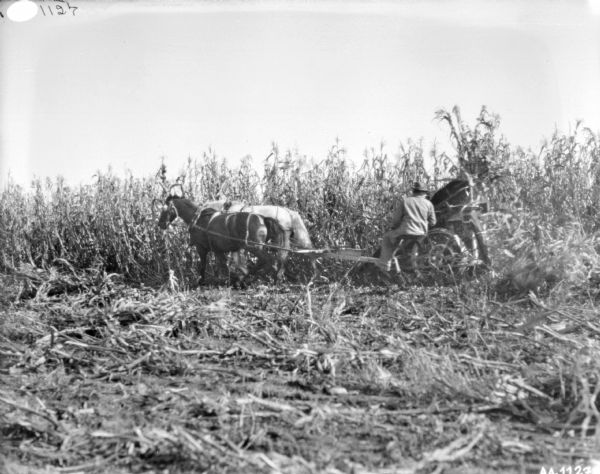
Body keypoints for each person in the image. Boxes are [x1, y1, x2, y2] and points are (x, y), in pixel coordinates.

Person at [378, 181, 437, 271]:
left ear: (413, 191)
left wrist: (394, 227)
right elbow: (433, 222)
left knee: (387, 237)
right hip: (421, 234)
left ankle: (385, 266)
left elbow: (396, 220)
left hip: (405, 232)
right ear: (424, 193)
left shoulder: (405, 201)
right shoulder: (429, 204)